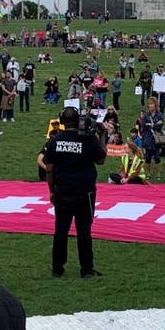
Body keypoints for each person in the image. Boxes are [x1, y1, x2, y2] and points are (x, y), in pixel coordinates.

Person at [44, 106, 108, 278]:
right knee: (84, 231)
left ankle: (57, 268)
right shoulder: (88, 139)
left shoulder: (55, 140)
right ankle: (86, 268)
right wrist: (102, 135)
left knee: (60, 230)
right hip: (84, 192)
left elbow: (49, 168)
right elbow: (101, 159)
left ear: (62, 121)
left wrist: (52, 190)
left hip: (62, 191)